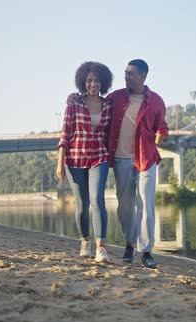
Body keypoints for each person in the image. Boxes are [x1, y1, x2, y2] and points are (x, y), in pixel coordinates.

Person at [107, 59, 169, 269]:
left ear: (142, 76)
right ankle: (129, 245)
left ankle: (146, 251)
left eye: (130, 74)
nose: (126, 76)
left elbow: (162, 127)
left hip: (146, 159)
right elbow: (95, 108)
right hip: (121, 159)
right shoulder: (115, 98)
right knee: (125, 207)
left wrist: (161, 135)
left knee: (146, 206)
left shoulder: (156, 101)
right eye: (125, 73)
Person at [57, 61, 113, 263]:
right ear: (83, 82)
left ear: (103, 83)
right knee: (82, 204)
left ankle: (100, 248)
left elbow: (110, 133)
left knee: (98, 200)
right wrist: (60, 162)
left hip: (99, 155)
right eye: (89, 80)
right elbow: (66, 132)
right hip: (75, 158)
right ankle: (84, 241)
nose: (93, 84)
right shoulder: (74, 103)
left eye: (97, 81)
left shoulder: (108, 104)